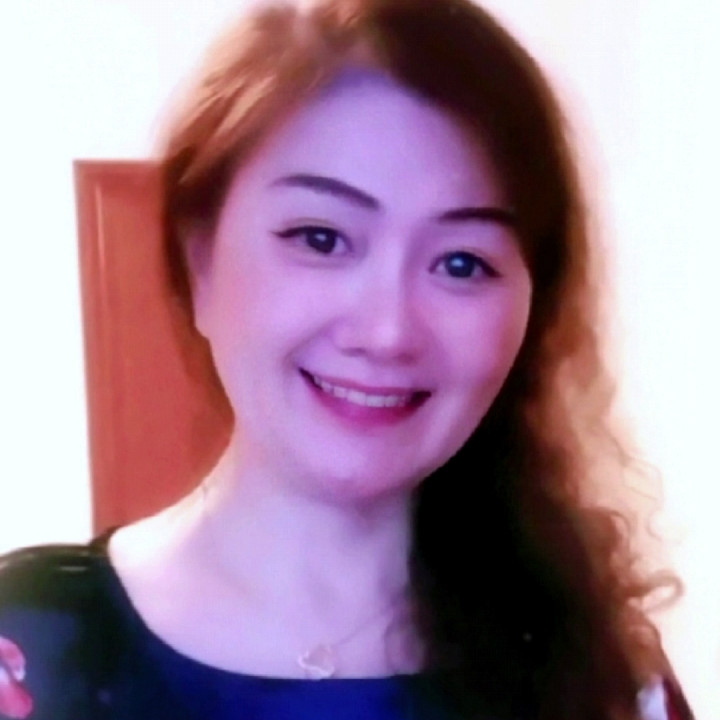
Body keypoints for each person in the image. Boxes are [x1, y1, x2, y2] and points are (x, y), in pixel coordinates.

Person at [0, 0, 695, 718]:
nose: (386, 331)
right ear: (199, 258)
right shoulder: (30, 648)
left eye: (461, 262)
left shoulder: (605, 679)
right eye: (322, 238)